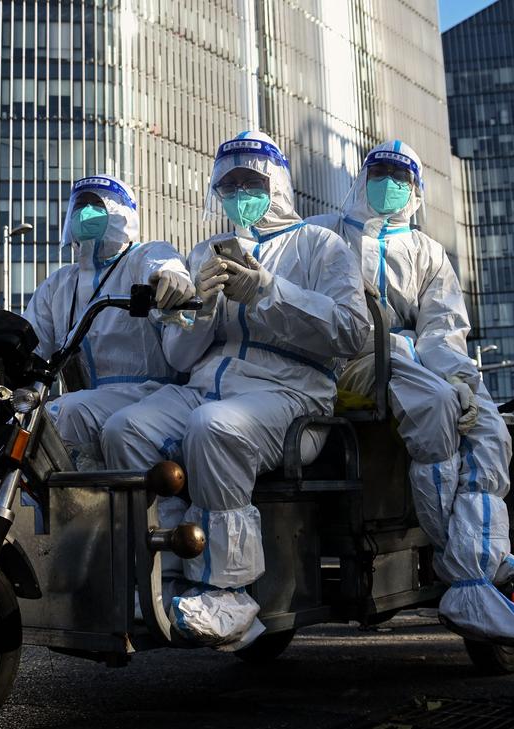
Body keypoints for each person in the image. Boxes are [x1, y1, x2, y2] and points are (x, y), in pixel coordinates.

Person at [103, 131, 368, 647]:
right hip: (208, 388)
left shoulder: (319, 244)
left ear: (278, 185)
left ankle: (229, 590)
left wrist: (269, 292)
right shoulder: (207, 252)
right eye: (228, 185)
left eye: (250, 181)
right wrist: (193, 311)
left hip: (292, 395)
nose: (239, 193)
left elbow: (351, 331)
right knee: (125, 429)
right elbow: (179, 358)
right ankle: (172, 574)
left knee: (214, 428)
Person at [308, 140, 514, 646]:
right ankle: (467, 572)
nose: (389, 184)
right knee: (434, 406)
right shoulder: (325, 234)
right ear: (361, 178)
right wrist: (409, 354)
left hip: (413, 367)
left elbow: (444, 330)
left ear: (415, 191)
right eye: (381, 172)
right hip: (348, 368)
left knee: (485, 424)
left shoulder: (428, 252)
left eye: (401, 177)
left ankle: (476, 567)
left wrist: (460, 377)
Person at [23, 174, 194, 469]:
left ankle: (146, 512)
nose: (84, 213)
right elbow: (31, 340)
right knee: (38, 426)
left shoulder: (142, 256)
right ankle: (75, 510)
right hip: (94, 400)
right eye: (79, 206)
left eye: (96, 205)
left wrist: (171, 279)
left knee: (68, 414)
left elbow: (163, 266)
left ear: (120, 214)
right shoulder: (61, 283)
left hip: (152, 393)